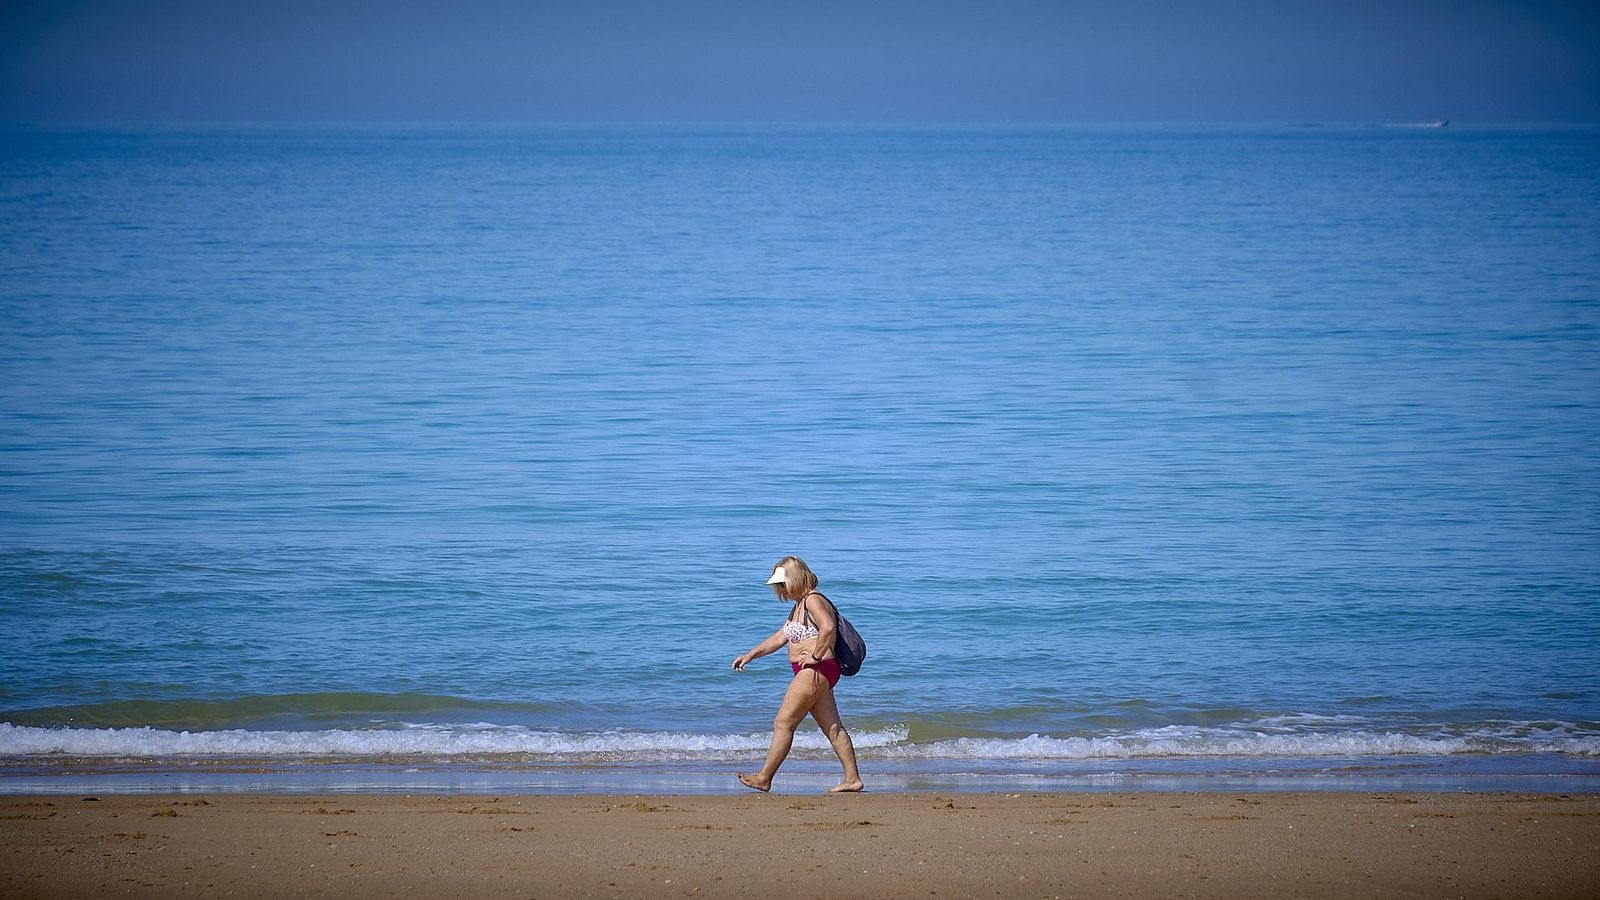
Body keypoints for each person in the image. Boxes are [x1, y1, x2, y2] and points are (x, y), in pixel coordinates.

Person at [732, 556, 864, 793]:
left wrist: (814, 657)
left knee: (783, 722)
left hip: (815, 670)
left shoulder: (813, 600)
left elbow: (828, 627)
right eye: (778, 586)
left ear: (794, 578)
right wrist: (750, 655)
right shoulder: (799, 607)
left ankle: (764, 777)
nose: (780, 590)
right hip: (818, 673)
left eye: (782, 584)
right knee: (833, 728)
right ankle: (852, 778)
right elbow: (779, 638)